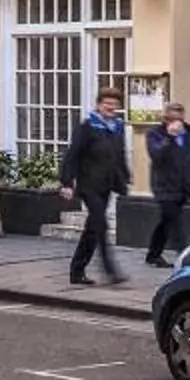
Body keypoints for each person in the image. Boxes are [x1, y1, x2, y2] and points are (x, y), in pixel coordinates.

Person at [60, 88, 131, 286]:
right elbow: (72, 154)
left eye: (114, 104)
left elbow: (120, 154)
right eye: (107, 103)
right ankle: (111, 270)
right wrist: (67, 182)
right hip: (89, 185)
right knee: (101, 224)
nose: (110, 107)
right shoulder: (87, 126)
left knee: (93, 228)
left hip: (107, 185)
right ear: (99, 105)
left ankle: (77, 271)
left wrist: (124, 178)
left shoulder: (118, 126)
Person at [141, 102, 190, 267]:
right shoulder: (155, 134)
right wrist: (169, 137)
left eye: (179, 119)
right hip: (164, 187)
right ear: (166, 119)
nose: (177, 123)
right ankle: (185, 256)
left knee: (166, 221)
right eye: (173, 119)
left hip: (182, 186)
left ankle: (153, 254)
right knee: (175, 222)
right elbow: (156, 155)